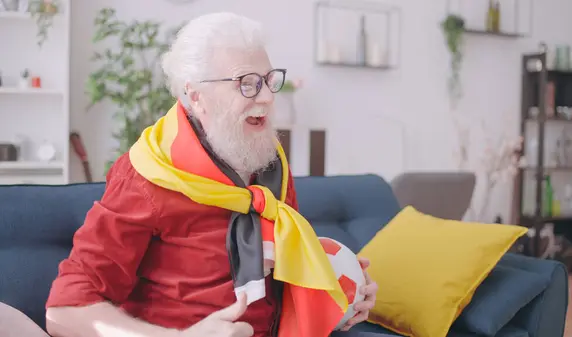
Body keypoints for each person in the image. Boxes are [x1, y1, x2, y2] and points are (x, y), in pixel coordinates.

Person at [45, 12, 378, 337]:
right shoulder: (148, 175)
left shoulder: (271, 164)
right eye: (246, 84)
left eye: (267, 80)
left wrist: (337, 291)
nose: (265, 96)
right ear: (196, 96)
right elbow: (65, 312)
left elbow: (278, 279)